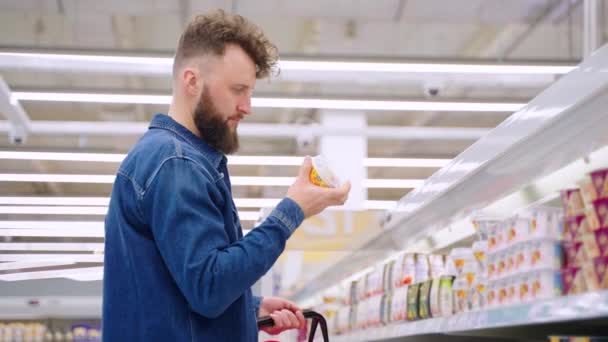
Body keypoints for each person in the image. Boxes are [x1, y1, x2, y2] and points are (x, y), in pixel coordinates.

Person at [102, 9, 351, 342]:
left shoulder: (176, 160)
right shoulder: (176, 165)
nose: (247, 106)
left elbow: (181, 286)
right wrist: (291, 211)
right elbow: (210, 288)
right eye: (237, 90)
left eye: (250, 92)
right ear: (191, 81)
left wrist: (249, 309)